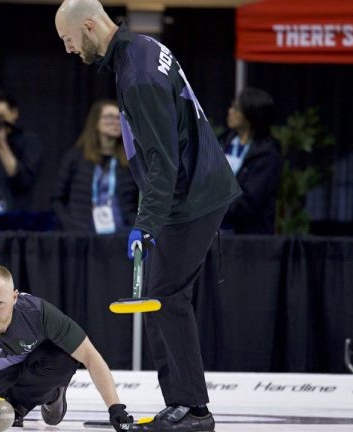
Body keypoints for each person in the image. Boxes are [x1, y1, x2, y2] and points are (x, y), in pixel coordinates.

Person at [55, 1, 242, 431]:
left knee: (165, 295)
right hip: (196, 189)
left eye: (68, 40)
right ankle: (183, 406)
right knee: (164, 296)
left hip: (193, 195)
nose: (68, 50)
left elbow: (163, 157)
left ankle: (192, 410)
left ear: (87, 26)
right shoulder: (140, 49)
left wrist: (146, 221)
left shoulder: (137, 72)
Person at [0, 265, 134, 431]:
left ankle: (47, 397)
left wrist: (115, 408)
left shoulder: (36, 313)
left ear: (14, 297)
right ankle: (13, 402)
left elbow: (90, 356)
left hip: (34, 370)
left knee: (65, 358)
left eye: (0, 304)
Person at [51, 99, 138, 233]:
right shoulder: (75, 157)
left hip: (121, 236)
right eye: (109, 117)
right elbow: (57, 199)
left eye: (118, 118)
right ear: (95, 122)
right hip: (83, 237)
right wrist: (70, 227)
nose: (114, 122)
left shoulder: (132, 160)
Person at [221, 87, 281, 234]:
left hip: (248, 238)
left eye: (236, 108)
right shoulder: (222, 143)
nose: (230, 111)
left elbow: (249, 201)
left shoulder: (267, 154)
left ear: (251, 114)